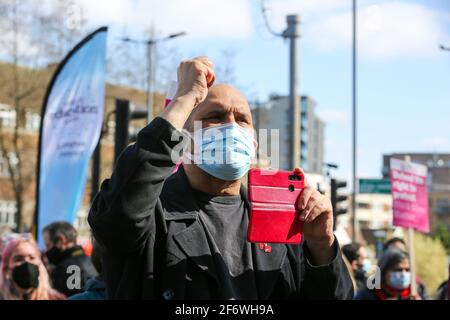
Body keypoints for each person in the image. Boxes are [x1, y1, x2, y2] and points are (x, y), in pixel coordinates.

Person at [88, 56, 353, 300]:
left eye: (242, 119)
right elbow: (116, 215)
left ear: (255, 143)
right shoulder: (152, 213)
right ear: (183, 137)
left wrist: (321, 246)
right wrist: (184, 99)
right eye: (215, 116)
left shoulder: (282, 218)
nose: (231, 126)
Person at [0, 234, 65, 300]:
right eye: (18, 259)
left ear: (40, 264)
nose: (27, 262)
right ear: (7, 268)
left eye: (32, 258)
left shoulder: (55, 298)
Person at [42, 221, 97, 297]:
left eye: (48, 245)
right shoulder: (93, 262)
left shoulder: (66, 268)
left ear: (61, 240)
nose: (47, 251)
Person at [355, 248, 422, 300]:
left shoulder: (417, 291)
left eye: (407, 270)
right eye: (398, 270)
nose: (403, 274)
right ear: (384, 272)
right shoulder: (367, 295)